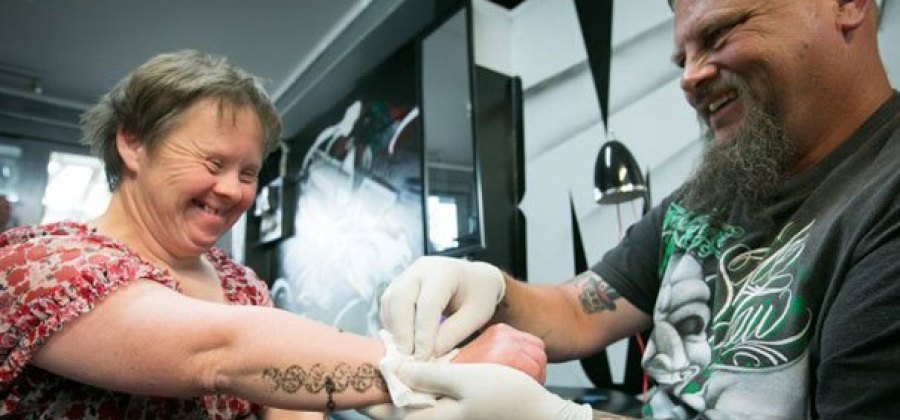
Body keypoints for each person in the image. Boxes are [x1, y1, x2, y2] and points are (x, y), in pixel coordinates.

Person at [379, 0, 899, 418]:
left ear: (847, 5)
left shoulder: (883, 201)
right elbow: (580, 310)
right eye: (682, 58)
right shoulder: (712, 195)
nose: (689, 78)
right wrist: (491, 288)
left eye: (720, 34)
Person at [0, 50, 548, 419]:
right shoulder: (37, 265)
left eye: (248, 172)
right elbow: (219, 352)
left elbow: (289, 404)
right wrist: (448, 372)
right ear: (134, 144)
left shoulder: (242, 286)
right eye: (213, 162)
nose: (231, 190)